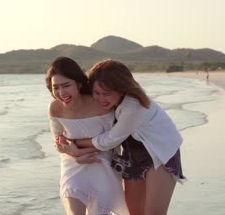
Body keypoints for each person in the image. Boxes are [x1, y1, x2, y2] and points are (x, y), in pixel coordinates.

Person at [57, 59, 185, 215]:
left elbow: (110, 140)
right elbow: (79, 112)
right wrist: (67, 142)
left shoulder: (134, 105)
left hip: (160, 154)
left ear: (121, 89)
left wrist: (77, 143)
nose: (101, 98)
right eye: (96, 93)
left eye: (106, 94)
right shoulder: (107, 102)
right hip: (132, 157)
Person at [46, 57, 129, 215]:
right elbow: (59, 141)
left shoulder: (101, 103)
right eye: (55, 87)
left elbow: (113, 140)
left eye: (66, 85)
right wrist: (75, 154)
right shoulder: (55, 108)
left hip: (103, 166)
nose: (61, 93)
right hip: (72, 166)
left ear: (78, 83)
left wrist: (78, 150)